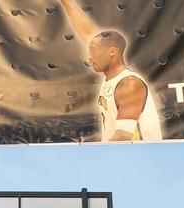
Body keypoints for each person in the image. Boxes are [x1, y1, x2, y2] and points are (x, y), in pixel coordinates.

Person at [59, 0, 163, 142]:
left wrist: (99, 159)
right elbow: (85, 29)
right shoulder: (112, 77)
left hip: (138, 159)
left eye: (93, 51)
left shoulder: (130, 84)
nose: (89, 56)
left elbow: (123, 136)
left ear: (112, 52)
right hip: (120, 155)